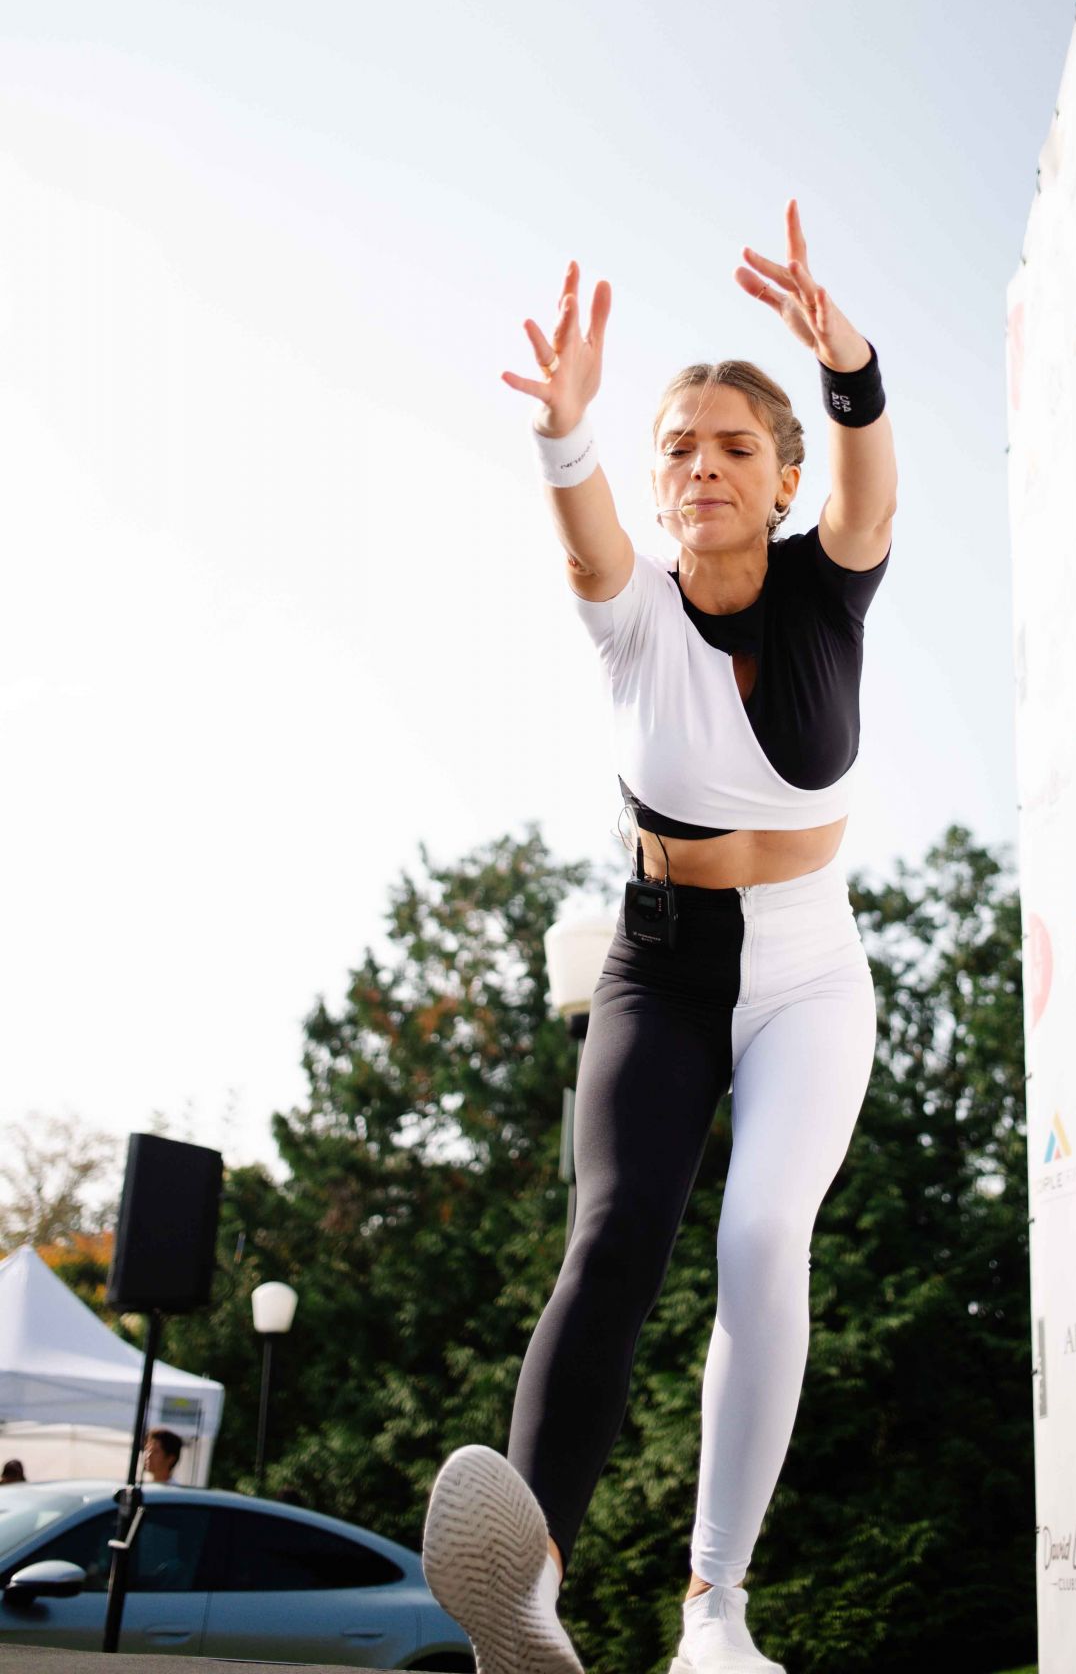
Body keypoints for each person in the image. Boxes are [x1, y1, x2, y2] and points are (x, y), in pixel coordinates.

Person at [423, 200, 896, 1674]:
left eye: (732, 446)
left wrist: (849, 364)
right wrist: (565, 434)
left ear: (782, 478)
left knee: (761, 1237)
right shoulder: (628, 613)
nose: (699, 464)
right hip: (658, 961)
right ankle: (531, 1584)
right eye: (674, 446)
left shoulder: (834, 581)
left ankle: (714, 1612)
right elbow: (582, 530)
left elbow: (869, 478)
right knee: (616, 1230)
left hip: (807, 971)